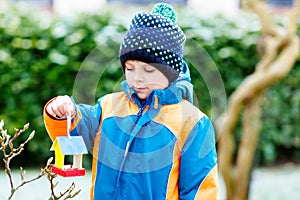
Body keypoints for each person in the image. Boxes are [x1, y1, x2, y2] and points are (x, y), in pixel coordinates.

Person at [44, 3, 218, 200]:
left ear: (170, 72)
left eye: (149, 70)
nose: (137, 78)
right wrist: (61, 111)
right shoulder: (108, 107)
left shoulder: (194, 123)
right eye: (130, 68)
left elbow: (199, 190)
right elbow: (74, 130)